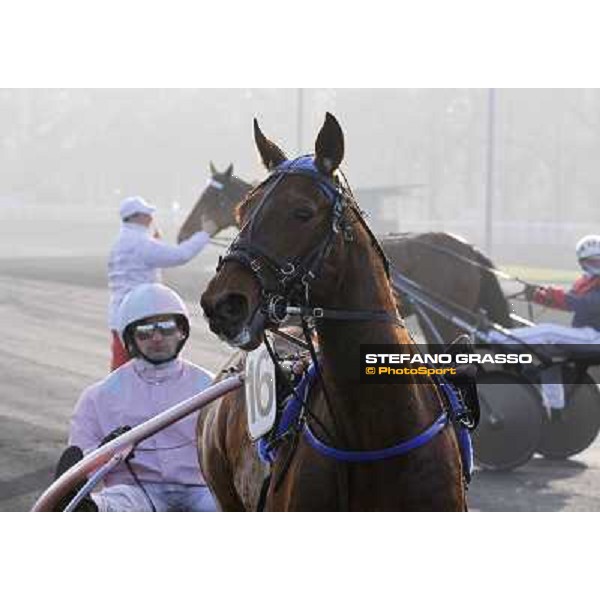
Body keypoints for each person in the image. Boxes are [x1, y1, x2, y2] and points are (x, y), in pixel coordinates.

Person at [58, 283, 218, 511]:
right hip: (138, 489)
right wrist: (105, 450)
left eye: (166, 327)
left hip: (202, 488)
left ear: (182, 331)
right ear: (130, 339)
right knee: (116, 503)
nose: (157, 337)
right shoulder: (99, 397)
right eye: (144, 331)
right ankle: (85, 510)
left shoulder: (212, 387)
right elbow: (81, 465)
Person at [108, 196, 218, 370]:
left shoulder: (122, 241)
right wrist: (205, 234)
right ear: (137, 216)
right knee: (148, 371)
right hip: (140, 316)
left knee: (123, 373)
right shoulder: (140, 242)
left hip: (119, 316)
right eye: (148, 214)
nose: (151, 218)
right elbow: (180, 255)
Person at [488, 234, 600, 346]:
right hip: (586, 332)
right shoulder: (587, 281)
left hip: (595, 335)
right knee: (544, 330)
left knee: (547, 331)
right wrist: (538, 296)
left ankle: (494, 338)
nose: (597, 265)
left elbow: (585, 303)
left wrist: (553, 293)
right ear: (582, 264)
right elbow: (566, 303)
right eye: (593, 262)